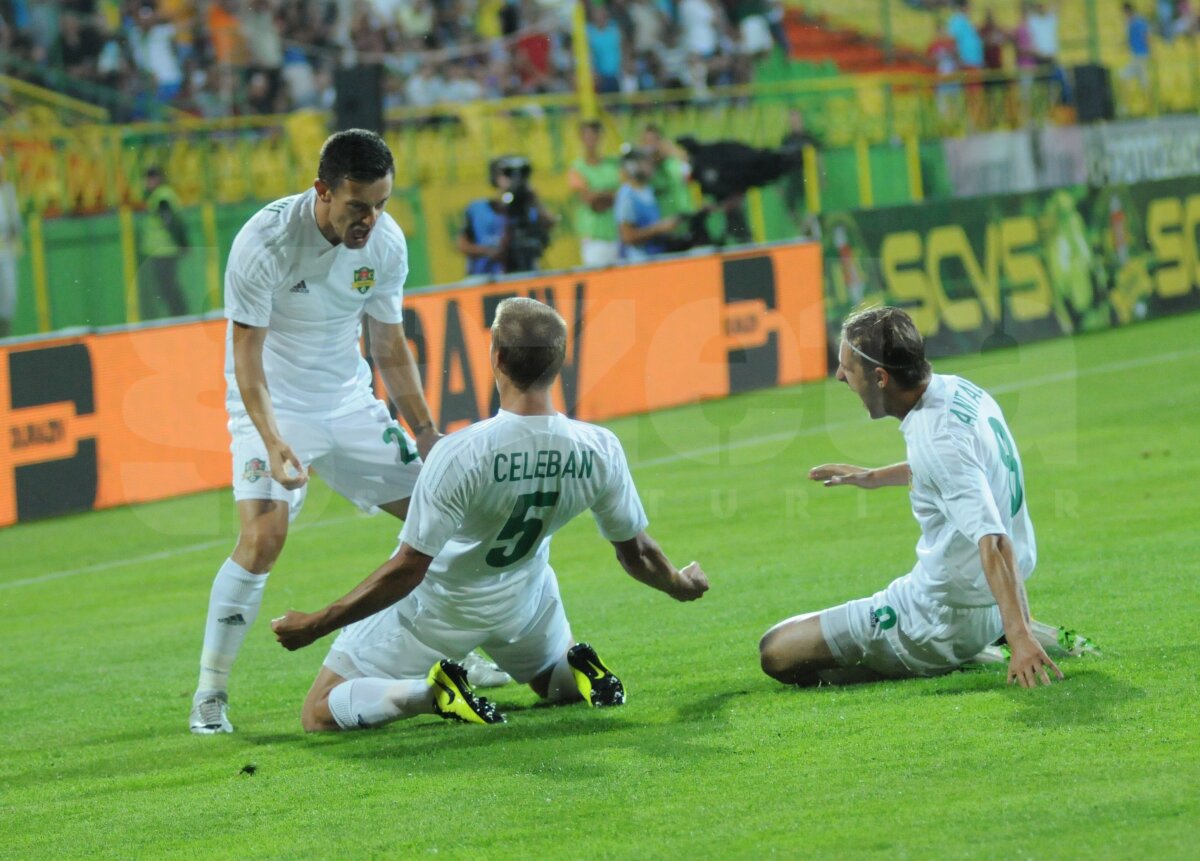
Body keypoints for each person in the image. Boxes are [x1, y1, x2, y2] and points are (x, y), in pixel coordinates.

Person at [270, 297, 711, 732]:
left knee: (320, 711)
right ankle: (574, 668)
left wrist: (316, 624)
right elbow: (636, 553)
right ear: (559, 362)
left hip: (441, 610)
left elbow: (408, 569)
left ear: (497, 357)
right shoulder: (599, 447)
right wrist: (678, 584)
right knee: (548, 684)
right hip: (526, 603)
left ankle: (432, 694)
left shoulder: (462, 452)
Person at [189, 129, 462, 735]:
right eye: (358, 205)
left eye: (382, 204)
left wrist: (424, 430)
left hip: (349, 403)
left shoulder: (385, 244)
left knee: (445, 523)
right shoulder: (264, 242)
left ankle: (462, 656)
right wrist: (273, 438)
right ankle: (210, 694)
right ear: (323, 191)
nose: (370, 219)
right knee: (263, 537)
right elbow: (246, 355)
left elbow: (389, 346)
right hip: (273, 404)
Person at [759, 307, 1091, 689]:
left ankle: (979, 648)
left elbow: (995, 541)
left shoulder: (937, 439)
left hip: (939, 619)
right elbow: (958, 473)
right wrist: (873, 477)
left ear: (880, 378)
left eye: (847, 369)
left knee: (777, 652)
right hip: (991, 601)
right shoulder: (958, 390)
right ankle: (997, 635)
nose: (839, 377)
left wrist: (1019, 638)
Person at [456, 155, 554, 277]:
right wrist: (489, 251)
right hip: (485, 277)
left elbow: (550, 224)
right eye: (508, 174)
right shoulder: (478, 209)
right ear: (495, 178)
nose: (515, 179)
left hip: (525, 273)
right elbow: (462, 244)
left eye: (522, 174)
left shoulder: (528, 209)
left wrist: (535, 201)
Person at [566, 119, 622, 268]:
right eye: (587, 136)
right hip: (594, 233)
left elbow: (623, 194)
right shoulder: (577, 167)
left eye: (594, 135)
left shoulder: (613, 164)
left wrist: (599, 194)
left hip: (617, 231)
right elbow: (589, 198)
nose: (591, 141)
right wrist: (609, 195)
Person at [614, 146, 681, 262]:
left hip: (654, 257)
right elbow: (627, 236)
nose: (651, 165)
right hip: (636, 262)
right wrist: (659, 228)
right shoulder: (627, 195)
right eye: (646, 162)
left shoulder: (648, 190)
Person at [139, 166, 189, 319]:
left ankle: (179, 315)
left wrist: (182, 242)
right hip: (163, 249)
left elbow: (169, 220)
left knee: (167, 287)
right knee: (169, 286)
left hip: (164, 250)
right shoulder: (163, 194)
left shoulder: (161, 196)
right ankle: (179, 315)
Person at [0, 155, 22, 338]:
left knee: (8, 300)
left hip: (5, 252)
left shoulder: (8, 191)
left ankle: (5, 339)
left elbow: (15, 223)